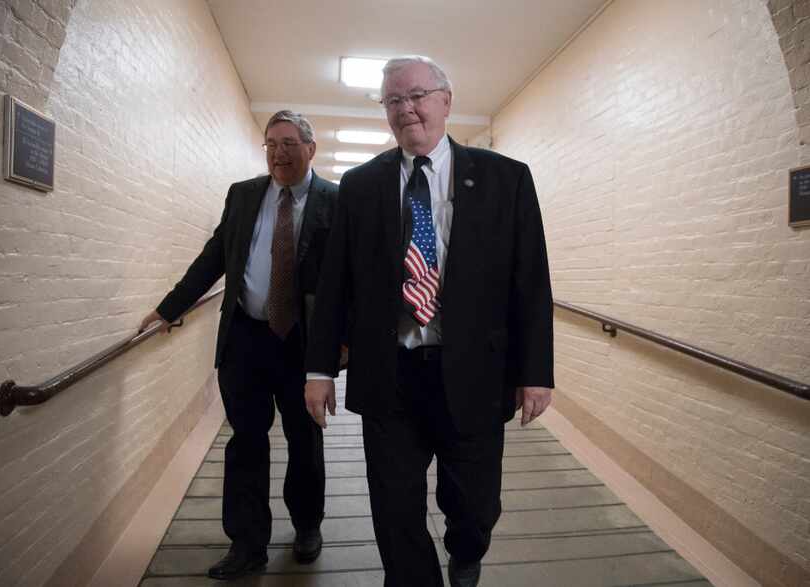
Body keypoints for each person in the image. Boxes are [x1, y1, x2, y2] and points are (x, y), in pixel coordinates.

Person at [304, 56, 554, 587]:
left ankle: (467, 552)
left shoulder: (504, 179)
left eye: (417, 95)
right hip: (390, 374)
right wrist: (318, 369)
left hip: (476, 374)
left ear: (446, 100)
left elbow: (530, 283)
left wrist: (536, 371)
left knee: (474, 504)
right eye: (393, 100)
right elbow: (335, 286)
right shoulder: (361, 184)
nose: (406, 108)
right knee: (394, 511)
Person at [139, 111, 337, 580]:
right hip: (245, 338)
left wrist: (341, 343)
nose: (279, 153)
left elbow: (347, 279)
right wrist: (170, 307)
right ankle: (247, 544)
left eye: (289, 143)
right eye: (270, 144)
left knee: (303, 439)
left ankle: (308, 524)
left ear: (311, 148)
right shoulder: (244, 195)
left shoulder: (336, 199)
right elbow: (215, 256)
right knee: (245, 441)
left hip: (302, 345)